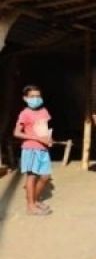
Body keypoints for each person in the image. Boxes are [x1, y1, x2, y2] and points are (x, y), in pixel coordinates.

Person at [13, 85, 53, 216]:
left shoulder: (44, 111)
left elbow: (44, 129)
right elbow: (17, 133)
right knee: (32, 177)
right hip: (30, 149)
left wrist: (49, 138)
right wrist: (37, 138)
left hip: (43, 149)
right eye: (32, 96)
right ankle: (30, 206)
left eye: (38, 96)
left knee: (45, 176)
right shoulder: (25, 113)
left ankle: (34, 201)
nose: (36, 98)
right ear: (25, 98)